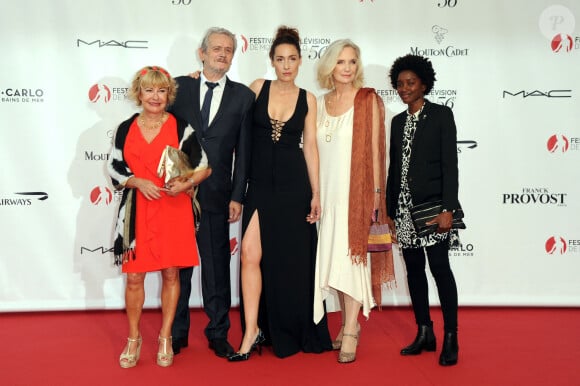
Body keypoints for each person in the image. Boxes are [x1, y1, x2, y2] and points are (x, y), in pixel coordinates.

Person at [228, 26, 332, 361]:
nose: (286, 65)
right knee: (249, 255)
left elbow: (311, 149)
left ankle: (292, 326)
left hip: (293, 186)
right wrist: (196, 79)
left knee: (294, 263)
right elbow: (230, 109)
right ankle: (251, 330)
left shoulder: (308, 99)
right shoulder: (258, 88)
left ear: (301, 61)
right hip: (259, 186)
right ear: (271, 61)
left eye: (292, 59)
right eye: (279, 59)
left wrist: (316, 193)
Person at [108, 65, 211, 368]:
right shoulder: (126, 128)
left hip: (172, 208)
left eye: (162, 90)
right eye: (149, 90)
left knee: (170, 274)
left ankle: (165, 336)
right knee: (135, 277)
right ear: (138, 92)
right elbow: (114, 167)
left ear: (169, 94)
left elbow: (203, 165)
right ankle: (133, 337)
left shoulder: (181, 126)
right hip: (137, 211)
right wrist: (137, 181)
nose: (155, 96)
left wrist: (186, 183)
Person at [169, 27, 255, 358]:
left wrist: (237, 195)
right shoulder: (178, 88)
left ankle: (218, 332)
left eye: (229, 50)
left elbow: (244, 153)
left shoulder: (243, 97)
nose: (222, 54)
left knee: (217, 265)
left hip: (219, 194)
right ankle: (176, 332)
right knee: (178, 265)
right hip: (178, 193)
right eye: (216, 48)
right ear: (201, 53)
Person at [313, 39, 395, 364]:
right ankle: (349, 324)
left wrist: (376, 194)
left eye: (351, 62)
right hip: (327, 196)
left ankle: (350, 328)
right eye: (340, 62)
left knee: (353, 262)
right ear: (329, 66)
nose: (346, 68)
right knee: (337, 261)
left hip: (357, 195)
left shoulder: (368, 100)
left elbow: (377, 152)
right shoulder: (318, 103)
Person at [386, 54, 461, 366]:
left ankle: (451, 337)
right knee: (414, 271)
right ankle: (424, 331)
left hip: (432, 207)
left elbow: (450, 166)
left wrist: (448, 209)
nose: (404, 88)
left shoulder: (441, 116)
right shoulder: (397, 121)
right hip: (403, 209)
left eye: (410, 83)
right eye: (400, 84)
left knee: (440, 269)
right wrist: (390, 210)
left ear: (424, 85)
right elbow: (394, 168)